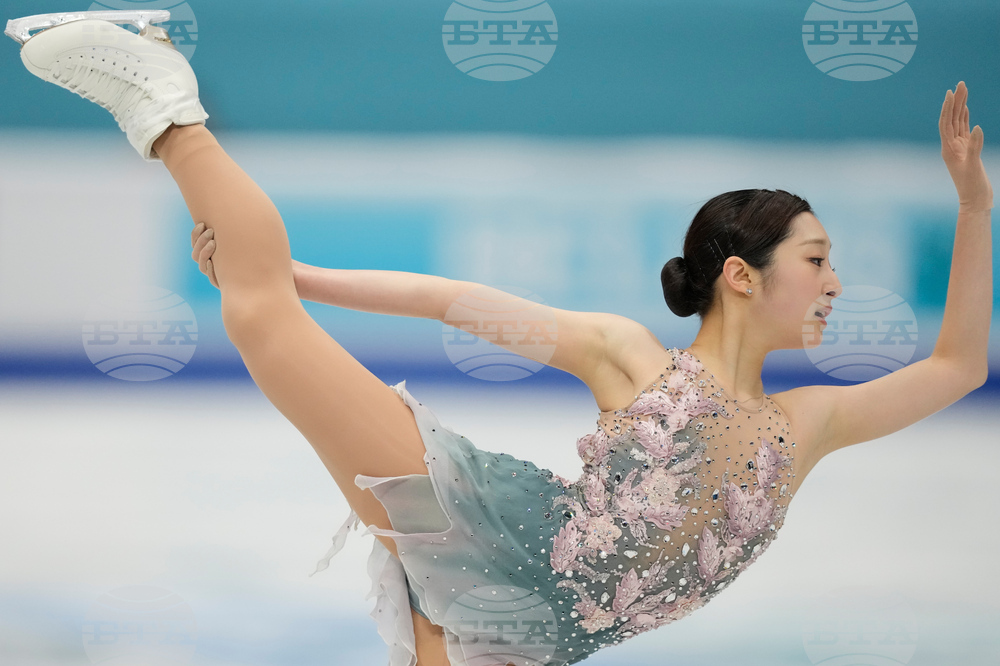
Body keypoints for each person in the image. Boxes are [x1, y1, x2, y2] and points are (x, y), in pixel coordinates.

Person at [7, 10, 992, 666]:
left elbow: (956, 365)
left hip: (539, 638)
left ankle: (174, 120)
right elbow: (455, 302)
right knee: (261, 314)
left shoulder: (809, 425)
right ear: (742, 275)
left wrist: (974, 206)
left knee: (260, 308)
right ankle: (167, 107)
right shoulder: (628, 357)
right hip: (493, 533)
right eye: (816, 260)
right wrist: (297, 278)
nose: (835, 283)